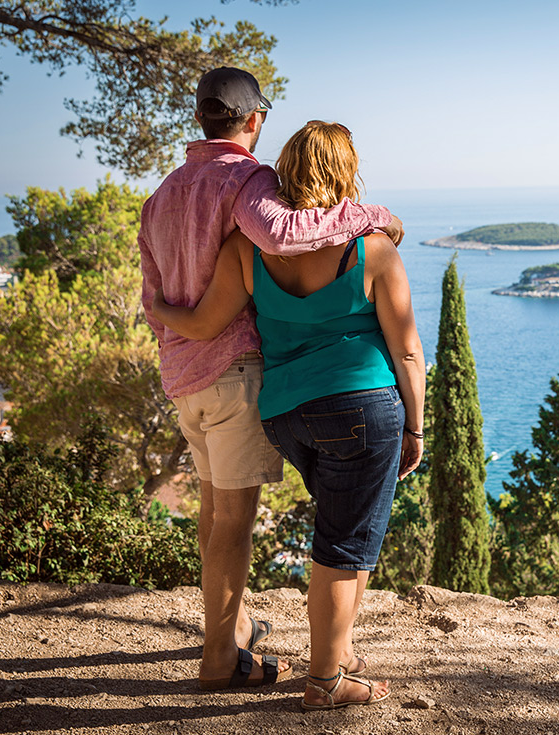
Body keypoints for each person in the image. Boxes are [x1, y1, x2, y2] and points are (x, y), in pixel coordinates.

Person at [138, 67, 404, 691]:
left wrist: (174, 330)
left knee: (211, 514)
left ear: (201, 118)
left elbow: (155, 296)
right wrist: (373, 216)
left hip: (184, 376)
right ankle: (219, 660)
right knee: (232, 522)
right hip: (231, 371)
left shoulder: (162, 195)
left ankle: (229, 637)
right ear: (254, 120)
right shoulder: (246, 177)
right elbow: (284, 233)